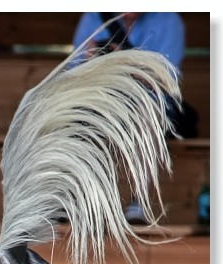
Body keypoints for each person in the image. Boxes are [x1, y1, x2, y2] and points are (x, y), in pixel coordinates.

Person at [72, 12, 197, 223]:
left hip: (151, 103)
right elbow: (73, 72)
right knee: (72, 118)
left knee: (146, 116)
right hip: (101, 99)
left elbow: (167, 80)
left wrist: (121, 64)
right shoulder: (94, 16)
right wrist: (90, 60)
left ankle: (139, 201)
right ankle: (78, 201)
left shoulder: (168, 20)